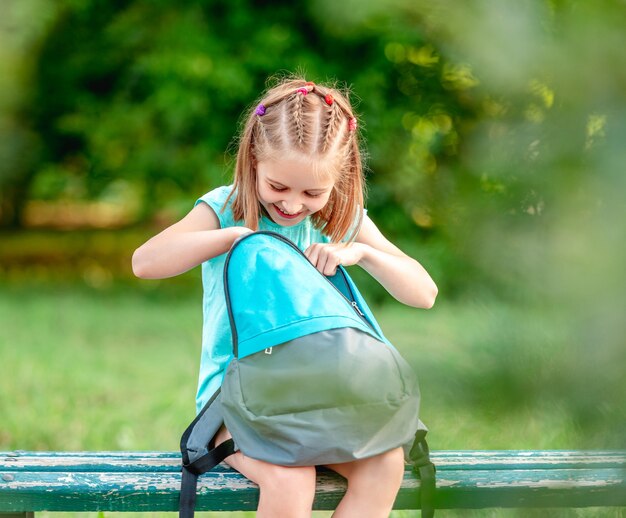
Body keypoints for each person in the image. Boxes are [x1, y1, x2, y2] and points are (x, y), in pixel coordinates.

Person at [132, 77, 438, 518]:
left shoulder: (339, 220)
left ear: (339, 178)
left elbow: (424, 293)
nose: (292, 205)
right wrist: (230, 238)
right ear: (254, 159)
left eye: (312, 193)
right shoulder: (226, 208)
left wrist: (363, 252)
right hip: (239, 402)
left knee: (385, 465)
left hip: (324, 398)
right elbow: (145, 262)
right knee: (291, 478)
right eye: (278, 187)